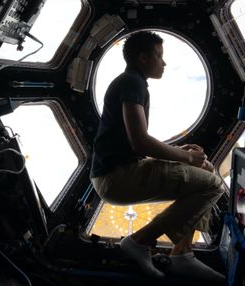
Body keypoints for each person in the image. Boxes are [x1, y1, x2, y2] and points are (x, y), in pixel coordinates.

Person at [90, 31, 225, 282]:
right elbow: (140, 142)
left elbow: (135, 142)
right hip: (116, 177)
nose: (164, 63)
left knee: (205, 171)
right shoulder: (132, 83)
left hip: (118, 172)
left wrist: (180, 154)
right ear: (143, 58)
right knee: (214, 185)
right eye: (159, 56)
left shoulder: (132, 82)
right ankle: (140, 241)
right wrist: (184, 159)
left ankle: (182, 253)